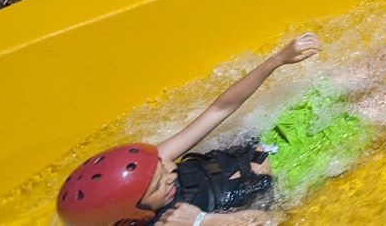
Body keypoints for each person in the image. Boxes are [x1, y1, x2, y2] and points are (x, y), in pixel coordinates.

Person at [55, 34, 322, 226]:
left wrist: (277, 60)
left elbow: (220, 109)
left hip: (265, 147)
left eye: (161, 165)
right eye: (159, 183)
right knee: (363, 111)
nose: (171, 170)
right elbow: (274, 220)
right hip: (290, 173)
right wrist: (202, 221)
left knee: (346, 80)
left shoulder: (149, 169)